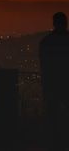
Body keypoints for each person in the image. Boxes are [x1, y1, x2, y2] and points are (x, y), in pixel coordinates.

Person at [39, 12, 69, 151]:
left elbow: (44, 65)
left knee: (52, 115)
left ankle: (53, 142)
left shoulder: (46, 42)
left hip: (51, 84)